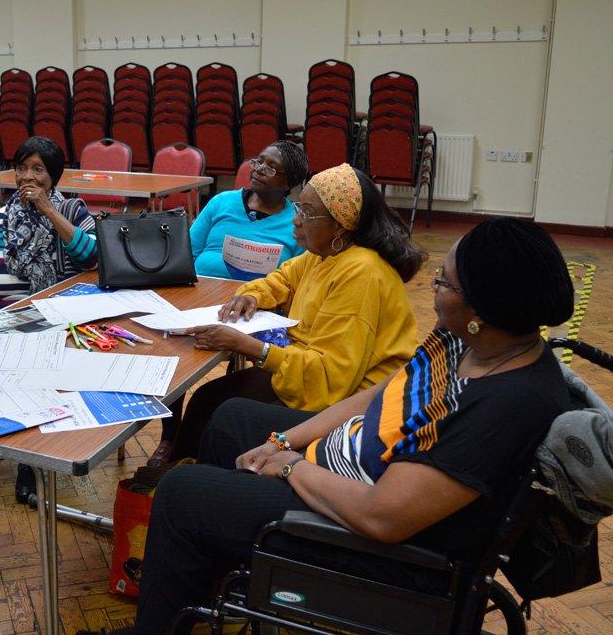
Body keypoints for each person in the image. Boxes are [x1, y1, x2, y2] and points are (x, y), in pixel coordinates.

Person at [77, 217, 577, 635]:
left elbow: (386, 517)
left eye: (444, 284)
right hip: (358, 464)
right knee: (231, 418)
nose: (435, 292)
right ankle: (209, 587)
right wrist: (284, 440)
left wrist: (291, 467)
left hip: (381, 539)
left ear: (483, 309)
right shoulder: (470, 342)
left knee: (184, 492)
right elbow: (382, 394)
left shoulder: (508, 404)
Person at [150, 163, 425, 465]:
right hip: (311, 374)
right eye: (299, 207)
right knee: (208, 399)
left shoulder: (361, 273)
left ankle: (196, 481)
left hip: (351, 405)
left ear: (340, 225)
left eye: (307, 213)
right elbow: (283, 278)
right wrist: (252, 295)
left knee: (222, 414)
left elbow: (330, 379)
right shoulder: (326, 254)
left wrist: (248, 346)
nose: (295, 220)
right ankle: (182, 476)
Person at [0, 136, 98, 310]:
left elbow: (92, 260)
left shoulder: (73, 213)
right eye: (21, 168)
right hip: (3, 317)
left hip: (60, 315)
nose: (27, 177)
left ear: (53, 176)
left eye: (37, 169)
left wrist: (50, 211)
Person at [189, 141, 309, 279]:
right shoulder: (221, 202)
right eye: (259, 162)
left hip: (259, 297)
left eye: (271, 168)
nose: (259, 169)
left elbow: (296, 279)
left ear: (288, 182)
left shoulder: (297, 223)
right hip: (200, 290)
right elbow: (187, 254)